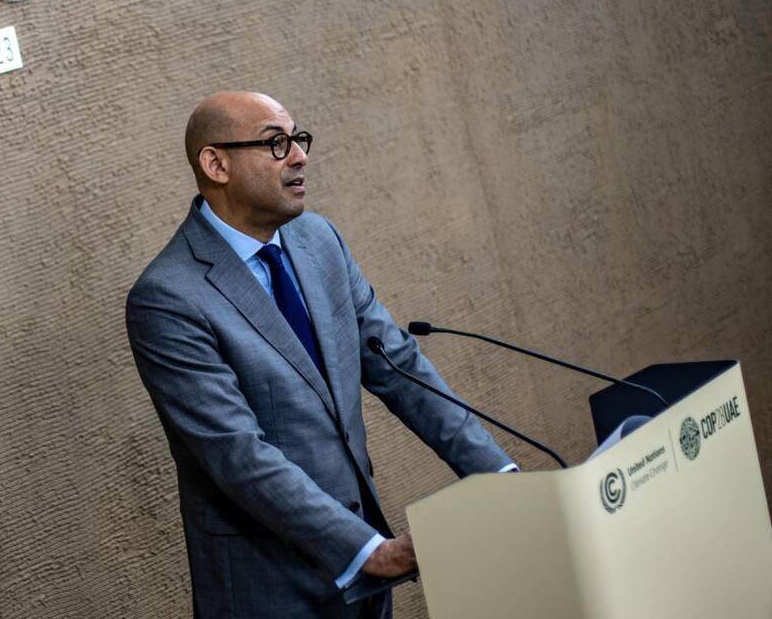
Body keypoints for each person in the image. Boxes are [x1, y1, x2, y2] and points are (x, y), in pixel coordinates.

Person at [126, 92, 515, 618]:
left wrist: (501, 479)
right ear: (216, 164)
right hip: (270, 589)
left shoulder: (318, 239)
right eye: (276, 144)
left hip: (365, 583)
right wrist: (370, 551)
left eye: (298, 140)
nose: (300, 156)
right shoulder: (169, 298)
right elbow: (238, 454)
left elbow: (400, 369)